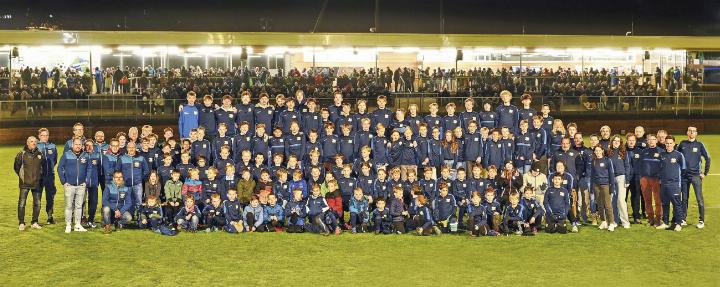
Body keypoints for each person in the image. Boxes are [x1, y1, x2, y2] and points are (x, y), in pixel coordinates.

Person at [677, 126, 710, 229]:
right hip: (684, 177)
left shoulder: (700, 145)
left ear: (696, 133)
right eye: (689, 131)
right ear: (687, 132)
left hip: (695, 176)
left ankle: (701, 220)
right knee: (684, 198)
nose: (691, 133)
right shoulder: (682, 144)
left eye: (693, 131)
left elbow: (707, 158)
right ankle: (683, 219)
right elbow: (676, 156)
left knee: (699, 199)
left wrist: (705, 173)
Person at [58, 137, 92, 233]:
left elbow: (89, 168)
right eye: (76, 144)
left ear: (82, 146)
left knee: (79, 206)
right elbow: (60, 168)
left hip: (81, 185)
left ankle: (77, 224)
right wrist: (64, 182)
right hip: (69, 185)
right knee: (69, 206)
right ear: (72, 145)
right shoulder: (66, 155)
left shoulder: (86, 155)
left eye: (79, 144)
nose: (78, 146)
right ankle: (68, 225)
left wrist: (86, 181)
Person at [15, 136, 44, 231]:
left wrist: (39, 177)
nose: (33, 143)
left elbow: (42, 167)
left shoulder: (40, 154)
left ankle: (34, 222)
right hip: (25, 184)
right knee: (22, 203)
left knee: (38, 204)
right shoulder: (21, 154)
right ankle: (21, 223)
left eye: (35, 141)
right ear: (27, 143)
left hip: (37, 183)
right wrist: (23, 177)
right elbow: (16, 167)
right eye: (31, 141)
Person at [657, 136, 685, 232]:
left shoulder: (679, 155)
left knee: (677, 204)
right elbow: (660, 168)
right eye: (667, 143)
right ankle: (665, 222)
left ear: (674, 144)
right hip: (664, 184)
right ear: (665, 144)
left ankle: (678, 223)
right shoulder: (662, 155)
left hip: (674, 184)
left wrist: (679, 182)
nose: (668, 145)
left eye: (670, 143)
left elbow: (683, 169)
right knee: (665, 204)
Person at [589, 145, 616, 232]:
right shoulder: (593, 161)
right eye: (596, 151)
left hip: (606, 185)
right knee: (600, 205)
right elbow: (592, 175)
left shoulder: (607, 160)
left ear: (602, 151)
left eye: (599, 150)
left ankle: (611, 223)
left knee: (607, 205)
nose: (597, 152)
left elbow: (611, 174)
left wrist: (612, 187)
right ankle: (603, 221)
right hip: (596, 185)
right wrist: (592, 188)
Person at [639, 134, 663, 227]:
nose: (651, 141)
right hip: (645, 179)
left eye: (653, 139)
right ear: (647, 141)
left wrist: (661, 178)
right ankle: (650, 219)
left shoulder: (661, 152)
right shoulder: (644, 152)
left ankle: (658, 219)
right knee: (647, 200)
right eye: (649, 140)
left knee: (658, 200)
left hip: (656, 179)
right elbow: (640, 165)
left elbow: (663, 166)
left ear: (656, 141)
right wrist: (641, 177)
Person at [36, 128, 58, 225]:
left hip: (50, 176)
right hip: (39, 177)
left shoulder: (53, 146)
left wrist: (50, 170)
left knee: (50, 197)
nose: (45, 137)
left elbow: (55, 160)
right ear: (39, 136)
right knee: (37, 197)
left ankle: (50, 216)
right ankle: (35, 218)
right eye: (43, 135)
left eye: (46, 135)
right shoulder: (35, 146)